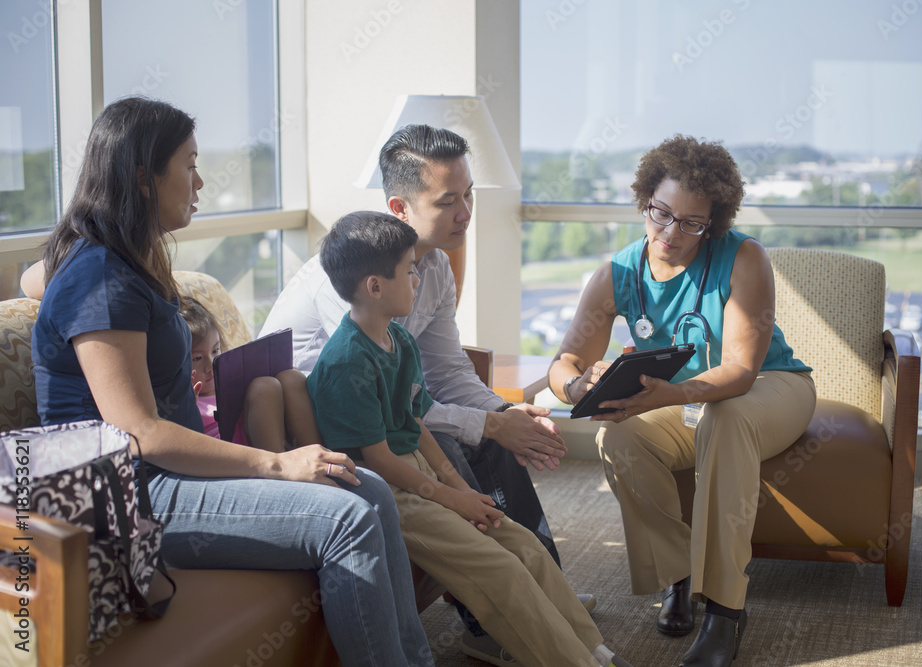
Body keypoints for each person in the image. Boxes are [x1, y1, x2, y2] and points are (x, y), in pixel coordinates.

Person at [29, 96, 433, 666]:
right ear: (145, 178)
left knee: (369, 490)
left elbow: (46, 283)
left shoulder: (117, 261)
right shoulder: (101, 275)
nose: (200, 182)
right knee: (347, 517)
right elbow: (137, 431)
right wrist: (277, 463)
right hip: (133, 497)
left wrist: (43, 280)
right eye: (189, 165)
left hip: (170, 476)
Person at [260, 124, 594, 657]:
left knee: (497, 436)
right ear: (400, 206)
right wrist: (486, 424)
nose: (465, 213)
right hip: (325, 424)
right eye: (449, 201)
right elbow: (387, 400)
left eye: (469, 196)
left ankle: (537, 590)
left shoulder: (432, 268)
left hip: (391, 412)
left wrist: (503, 413)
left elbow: (446, 371)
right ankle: (492, 617)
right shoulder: (349, 284)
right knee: (471, 441)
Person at [307, 210, 631, 667]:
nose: (417, 278)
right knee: (500, 571)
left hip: (417, 474)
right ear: (374, 287)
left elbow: (415, 421)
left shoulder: (398, 339)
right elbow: (378, 459)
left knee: (521, 544)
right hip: (385, 492)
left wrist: (460, 489)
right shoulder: (346, 363)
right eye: (408, 270)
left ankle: (593, 649)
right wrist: (447, 497)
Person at [547, 135, 816, 667]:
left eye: (691, 223)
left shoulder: (744, 258)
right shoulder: (618, 273)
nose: (671, 232)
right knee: (617, 432)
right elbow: (564, 362)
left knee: (729, 415)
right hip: (682, 402)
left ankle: (724, 612)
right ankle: (676, 575)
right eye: (661, 213)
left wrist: (671, 394)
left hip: (770, 388)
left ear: (712, 224)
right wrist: (580, 389)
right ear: (645, 199)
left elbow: (740, 372)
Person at [180, 296, 321, 452]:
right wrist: (188, 411)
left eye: (215, 350)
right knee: (264, 387)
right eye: (197, 358)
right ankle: (280, 469)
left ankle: (321, 455)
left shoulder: (230, 378)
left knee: (291, 377)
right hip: (235, 452)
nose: (210, 365)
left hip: (264, 430)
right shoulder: (189, 399)